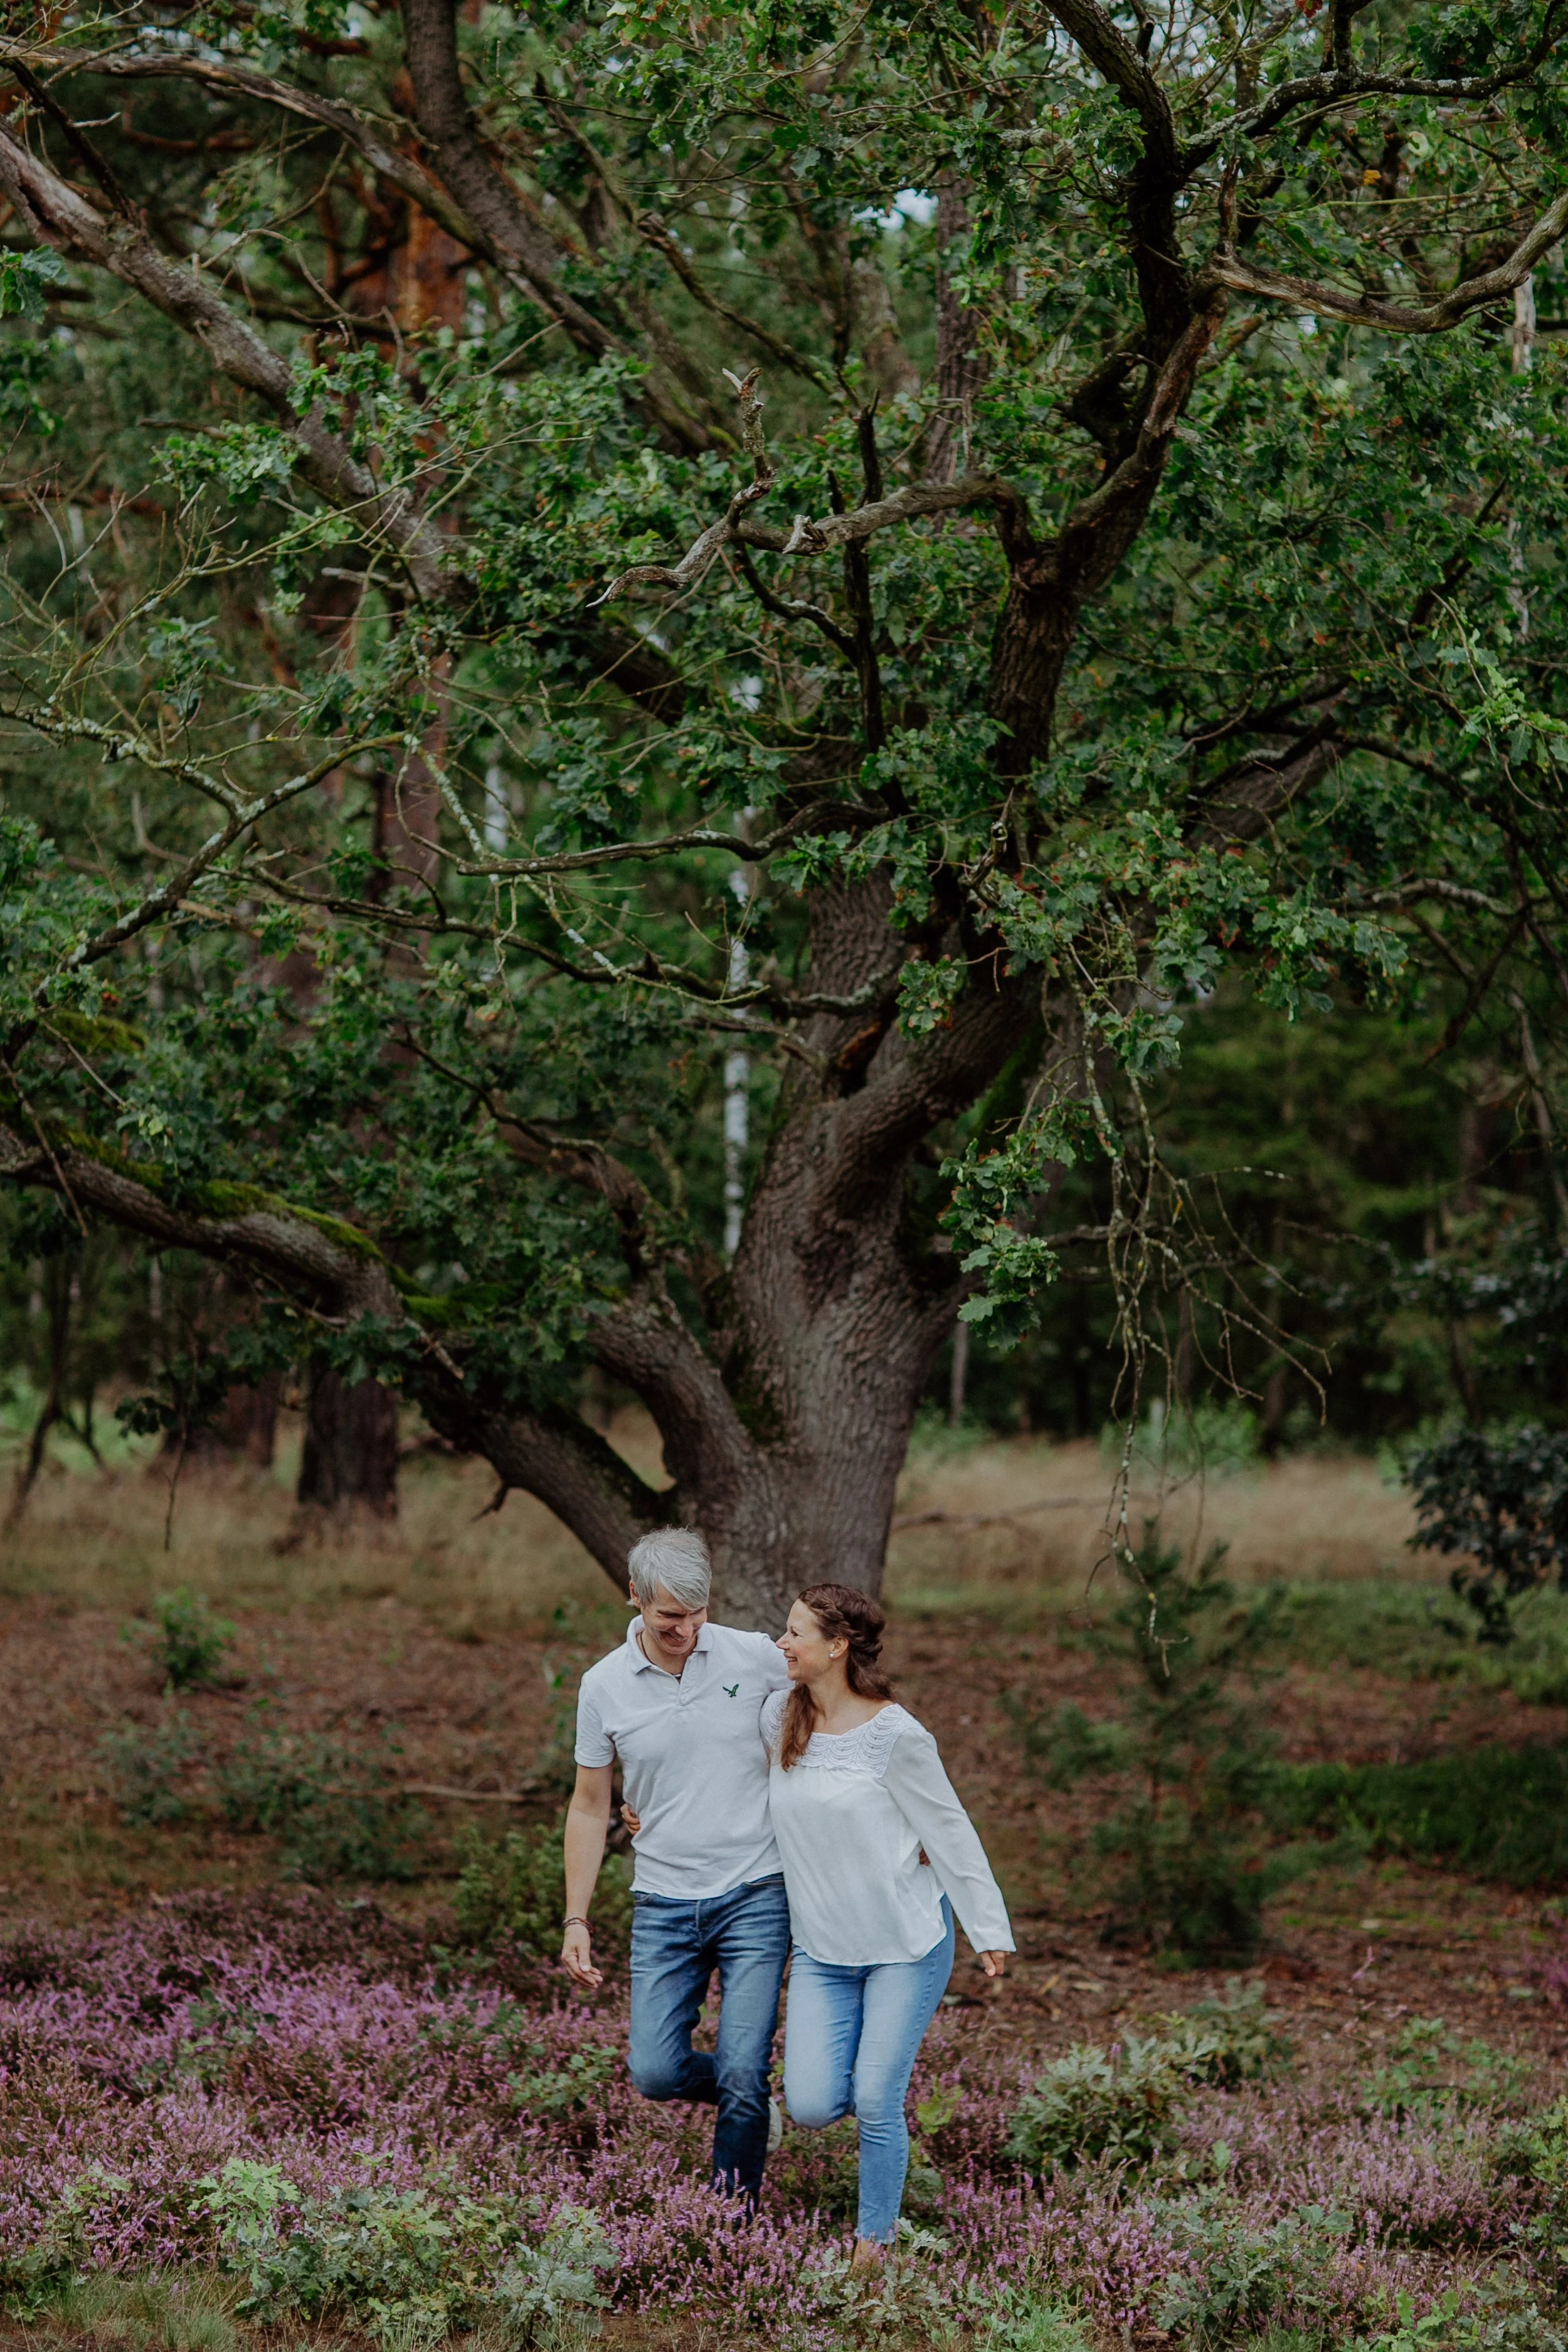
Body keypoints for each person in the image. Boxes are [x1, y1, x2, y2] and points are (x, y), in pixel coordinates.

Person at [766, 1582, 1013, 2262]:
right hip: (822, 1947)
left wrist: (987, 1928)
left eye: (794, 1633)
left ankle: (872, 2247)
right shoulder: (776, 1718)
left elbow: (950, 1831)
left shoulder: (897, 1735)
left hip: (905, 1942)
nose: (780, 1643)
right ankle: (870, 2103)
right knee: (813, 2105)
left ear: (837, 1647)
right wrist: (645, 1815)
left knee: (876, 2096)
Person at [560, 1527, 792, 2207]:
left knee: (746, 2068)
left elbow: (841, 1704)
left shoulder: (754, 1657)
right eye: (668, 1616)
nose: (685, 1628)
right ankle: (745, 2096)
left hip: (756, 1890)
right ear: (634, 1597)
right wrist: (576, 1917)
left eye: (697, 1613)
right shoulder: (603, 1686)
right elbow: (587, 1804)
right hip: (663, 1899)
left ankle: (731, 2227)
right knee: (655, 2072)